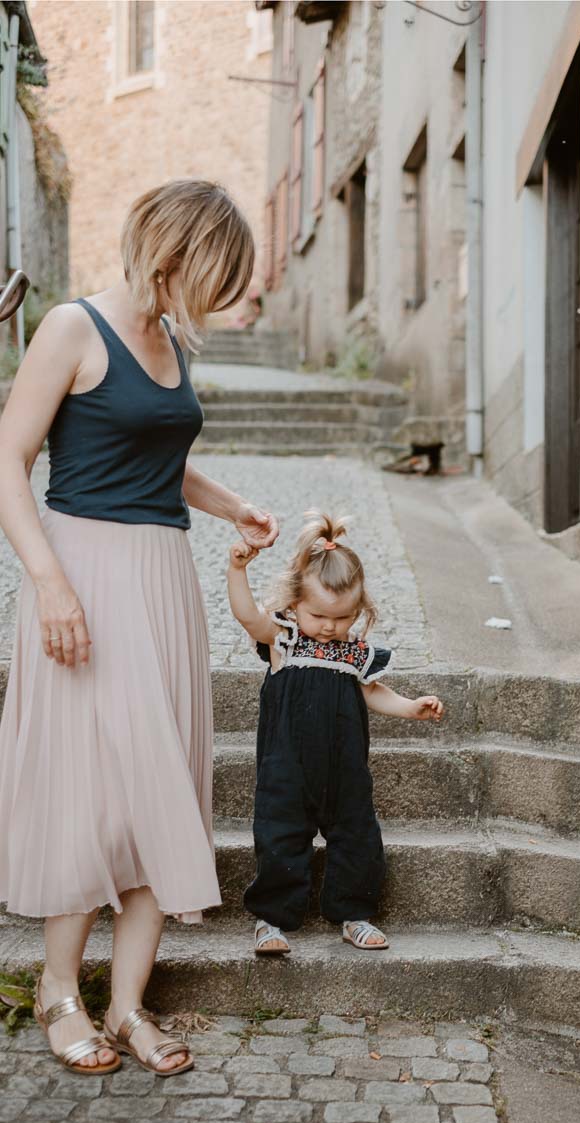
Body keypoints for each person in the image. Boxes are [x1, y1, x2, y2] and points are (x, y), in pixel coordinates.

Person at [0, 180, 277, 1075]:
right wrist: (48, 582)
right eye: (217, 278)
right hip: (83, 570)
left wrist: (232, 504)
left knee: (164, 788)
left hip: (163, 578)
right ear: (176, 253)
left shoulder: (172, 340)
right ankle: (56, 989)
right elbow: (8, 455)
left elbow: (164, 452)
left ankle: (124, 1004)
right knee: (89, 790)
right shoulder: (73, 328)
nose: (221, 300)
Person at [227, 510, 444, 956]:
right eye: (319, 615)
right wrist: (237, 570)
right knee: (280, 836)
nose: (330, 627)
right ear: (294, 605)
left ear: (358, 612)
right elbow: (249, 617)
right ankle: (272, 919)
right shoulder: (284, 638)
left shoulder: (351, 652)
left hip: (344, 765)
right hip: (285, 766)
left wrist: (411, 708)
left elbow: (374, 692)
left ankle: (354, 914)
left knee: (357, 835)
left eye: (343, 618)